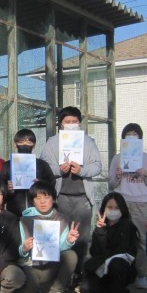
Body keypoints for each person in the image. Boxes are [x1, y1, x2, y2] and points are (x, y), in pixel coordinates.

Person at [40, 106, 102, 278]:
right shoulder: (52, 142)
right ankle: (60, 275)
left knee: (81, 237)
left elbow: (97, 166)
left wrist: (82, 170)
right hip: (60, 196)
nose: (71, 124)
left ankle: (78, 273)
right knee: (60, 235)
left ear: (79, 123)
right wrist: (59, 169)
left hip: (82, 198)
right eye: (67, 121)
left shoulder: (88, 142)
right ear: (61, 124)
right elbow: (44, 165)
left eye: (74, 121)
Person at [108, 123, 147, 290]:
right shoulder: (117, 158)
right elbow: (111, 183)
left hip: (140, 202)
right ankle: (118, 273)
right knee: (118, 237)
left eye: (135, 134)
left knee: (142, 239)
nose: (131, 136)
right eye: (128, 134)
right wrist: (118, 175)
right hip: (121, 201)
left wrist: (145, 174)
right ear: (123, 138)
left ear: (140, 138)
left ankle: (142, 274)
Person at [18, 181, 80, 293]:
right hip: (32, 266)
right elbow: (18, 251)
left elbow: (61, 248)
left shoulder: (62, 219)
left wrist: (68, 241)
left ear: (53, 199)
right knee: (29, 282)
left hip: (52, 266)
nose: (42, 202)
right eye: (38, 198)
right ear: (33, 201)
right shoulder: (24, 220)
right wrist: (24, 248)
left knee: (71, 255)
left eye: (46, 197)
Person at [80, 192, 139, 293]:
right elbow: (95, 252)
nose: (113, 210)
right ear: (104, 208)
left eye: (117, 208)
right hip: (101, 268)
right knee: (85, 289)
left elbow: (125, 251)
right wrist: (100, 232)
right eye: (110, 207)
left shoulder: (127, 225)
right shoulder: (101, 227)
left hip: (120, 268)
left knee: (116, 263)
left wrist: (108, 258)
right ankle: (111, 292)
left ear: (122, 209)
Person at [0, 129, 55, 217]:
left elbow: (52, 184)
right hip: (14, 213)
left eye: (29, 142)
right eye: (21, 142)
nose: (25, 145)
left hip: (38, 212)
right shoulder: (7, 165)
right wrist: (9, 190)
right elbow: (0, 188)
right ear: (15, 144)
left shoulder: (42, 165)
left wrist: (40, 184)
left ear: (34, 145)